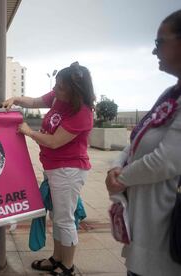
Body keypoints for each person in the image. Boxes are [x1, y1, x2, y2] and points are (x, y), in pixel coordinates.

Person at [105, 9, 181, 276]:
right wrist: (115, 167)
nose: (154, 51)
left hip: (167, 236)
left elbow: (167, 160)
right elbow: (137, 138)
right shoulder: (170, 93)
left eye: (160, 42)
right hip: (146, 229)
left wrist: (122, 177)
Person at [2, 62, 95, 276]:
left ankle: (67, 266)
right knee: (57, 216)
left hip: (68, 170)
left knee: (64, 219)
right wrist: (15, 98)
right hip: (54, 169)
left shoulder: (82, 112)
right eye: (56, 85)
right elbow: (35, 101)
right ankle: (57, 258)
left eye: (60, 87)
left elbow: (53, 142)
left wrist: (29, 132)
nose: (56, 89)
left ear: (75, 90)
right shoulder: (59, 97)